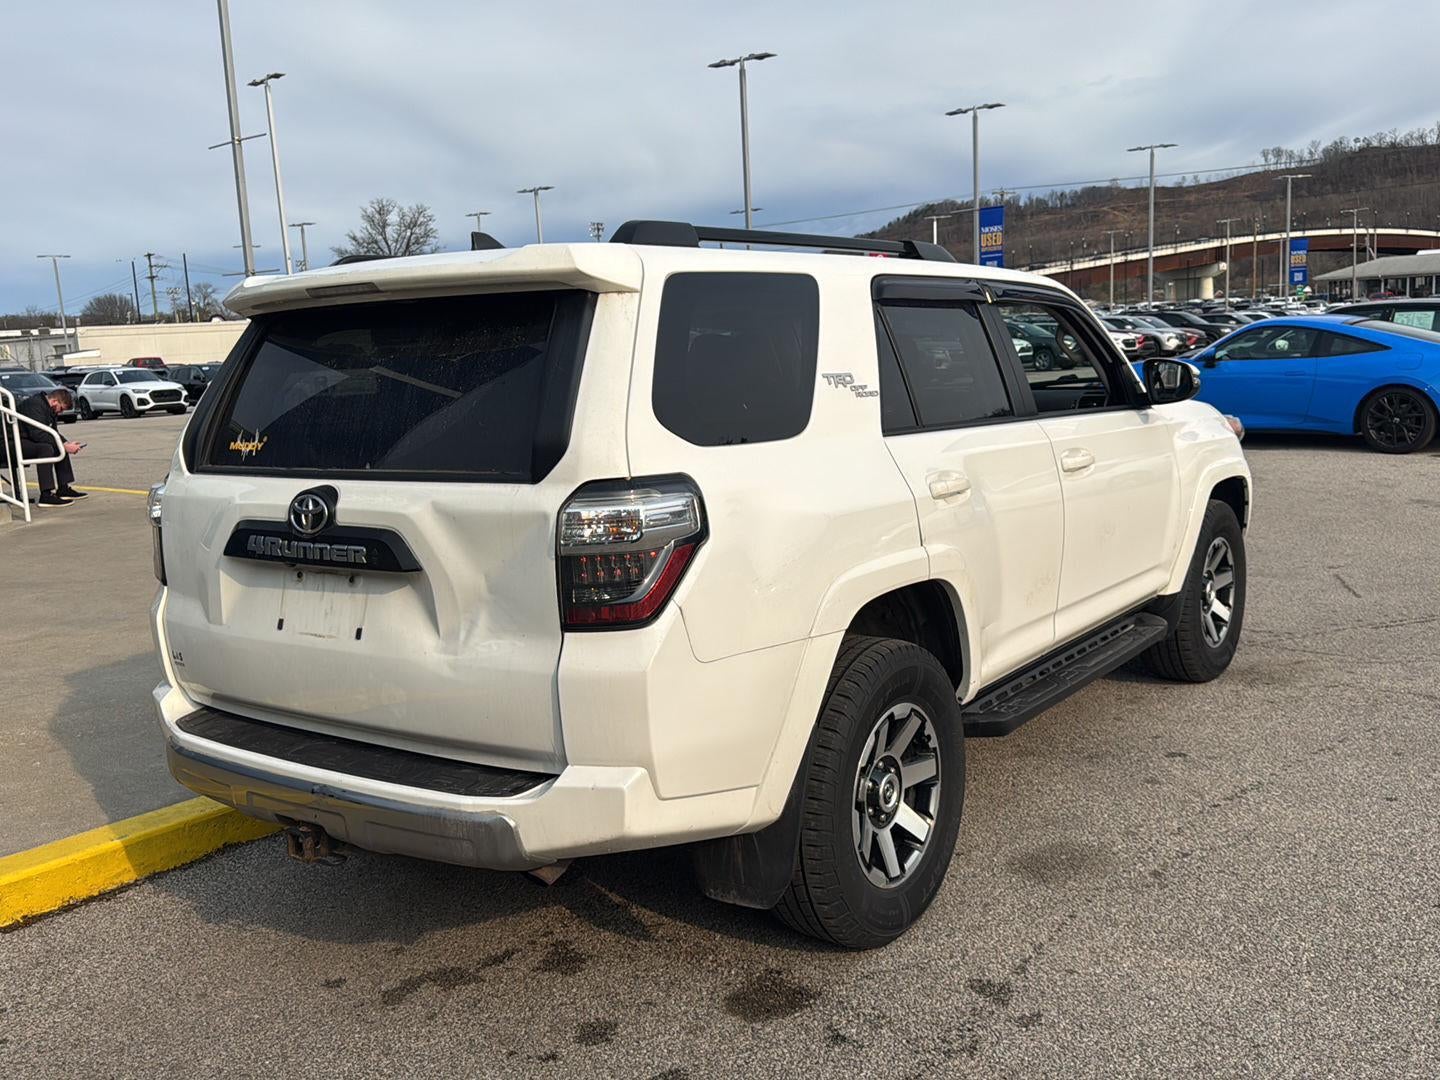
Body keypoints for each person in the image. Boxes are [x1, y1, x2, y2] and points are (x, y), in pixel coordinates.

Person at [3, 387, 87, 507]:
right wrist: (63, 445)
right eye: (61, 408)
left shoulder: (47, 408)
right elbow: (37, 434)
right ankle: (46, 495)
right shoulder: (34, 406)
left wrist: (66, 443)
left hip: (24, 440)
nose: (60, 412)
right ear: (54, 402)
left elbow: (52, 432)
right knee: (46, 448)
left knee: (57, 446)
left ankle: (63, 488)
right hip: (9, 443)